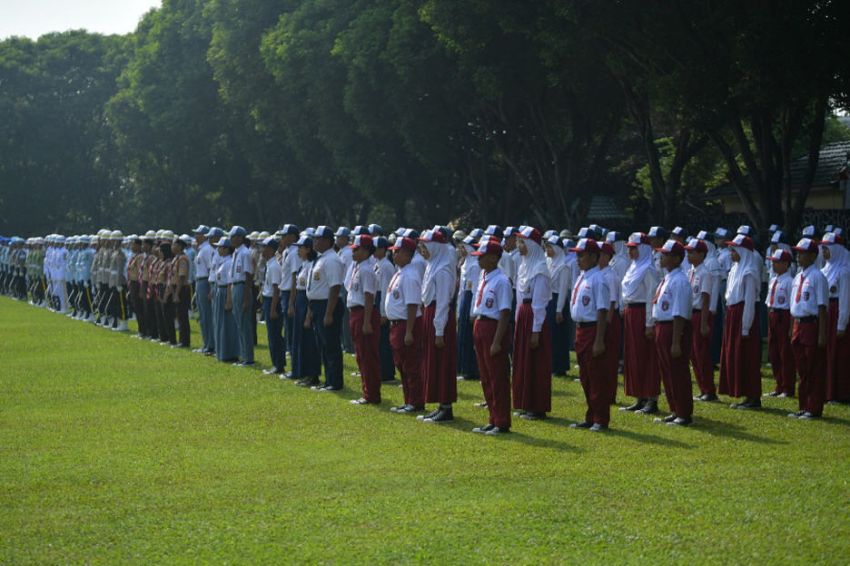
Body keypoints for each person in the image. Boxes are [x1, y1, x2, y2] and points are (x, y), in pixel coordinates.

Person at [568, 238, 612, 432]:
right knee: (585, 375)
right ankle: (591, 415)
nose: (578, 259)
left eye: (582, 255)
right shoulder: (582, 276)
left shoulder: (598, 279)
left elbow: (602, 310)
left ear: (594, 256)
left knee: (596, 376)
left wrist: (599, 340)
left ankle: (601, 418)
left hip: (593, 328)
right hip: (581, 328)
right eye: (577, 255)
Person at [470, 239, 513, 435]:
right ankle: (492, 417)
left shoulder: (502, 281)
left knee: (497, 377)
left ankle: (502, 421)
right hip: (481, 324)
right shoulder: (484, 276)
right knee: (485, 377)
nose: (479, 261)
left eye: (483, 257)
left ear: (494, 258)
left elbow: (504, 313)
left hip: (493, 326)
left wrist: (497, 341)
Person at [651, 240, 694, 426]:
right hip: (662, 326)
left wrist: (676, 341)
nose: (662, 256)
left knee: (677, 371)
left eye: (666, 254)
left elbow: (679, 312)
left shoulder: (680, 281)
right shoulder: (668, 277)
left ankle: (684, 413)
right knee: (666, 371)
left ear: (677, 258)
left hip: (673, 329)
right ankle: (674, 409)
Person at [417, 228, 458, 423]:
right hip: (430, 313)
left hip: (438, 316)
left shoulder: (443, 270)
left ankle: (446, 406)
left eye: (425, 247)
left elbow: (442, 301)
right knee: (432, 361)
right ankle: (439, 404)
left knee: (442, 361)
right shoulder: (432, 265)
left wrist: (439, 329)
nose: (422, 250)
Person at [512, 227, 553, 420]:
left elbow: (539, 303)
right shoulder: (524, 266)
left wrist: (536, 329)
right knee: (523, 359)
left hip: (534, 317)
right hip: (524, 315)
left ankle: (537, 406)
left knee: (535, 361)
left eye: (522, 242)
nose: (519, 246)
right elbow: (520, 297)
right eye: (519, 242)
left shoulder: (540, 269)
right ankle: (524, 401)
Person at [719, 234, 762, 409]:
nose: (731, 253)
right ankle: (743, 392)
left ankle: (753, 396)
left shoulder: (749, 272)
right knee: (735, 354)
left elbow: (750, 301)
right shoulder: (735, 270)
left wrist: (745, 327)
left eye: (734, 250)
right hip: (733, 313)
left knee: (747, 355)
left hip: (744, 315)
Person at [789, 237, 829, 419]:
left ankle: (814, 407)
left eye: (803, 254)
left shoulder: (818, 276)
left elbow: (822, 306)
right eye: (797, 253)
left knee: (813, 367)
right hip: (799, 323)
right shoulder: (798, 276)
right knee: (802, 368)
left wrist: (822, 334)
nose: (799, 257)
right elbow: (793, 305)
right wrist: (792, 328)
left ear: (813, 256)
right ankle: (804, 405)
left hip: (811, 324)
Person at [621, 232, 661, 414]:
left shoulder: (649, 269)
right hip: (631, 312)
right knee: (633, 355)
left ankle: (651, 397)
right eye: (629, 248)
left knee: (646, 356)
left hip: (641, 313)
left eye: (634, 248)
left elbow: (651, 297)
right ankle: (639, 395)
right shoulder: (633, 267)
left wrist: (649, 323)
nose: (630, 251)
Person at [386, 237, 426, 414]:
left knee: (410, 365)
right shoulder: (400, 272)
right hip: (397, 324)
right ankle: (408, 399)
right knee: (401, 365)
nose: (394, 254)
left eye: (398, 251)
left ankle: (416, 401)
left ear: (408, 254)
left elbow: (412, 304)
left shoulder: (410, 275)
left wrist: (409, 331)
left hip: (406, 324)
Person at [307, 226, 345, 391]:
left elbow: (335, 287)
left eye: (318, 239)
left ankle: (335, 381)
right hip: (318, 305)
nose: (315, 241)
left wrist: (329, 313)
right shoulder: (322, 258)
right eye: (314, 238)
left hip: (327, 305)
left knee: (331, 345)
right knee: (323, 344)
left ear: (328, 241)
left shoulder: (332, 260)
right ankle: (328, 380)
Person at [346, 234, 382, 405]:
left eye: (357, 249)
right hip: (356, 312)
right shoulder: (358, 267)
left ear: (366, 251)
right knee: (361, 354)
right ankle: (367, 390)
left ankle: (372, 394)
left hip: (363, 313)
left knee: (367, 355)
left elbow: (369, 296)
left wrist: (367, 321)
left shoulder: (367, 269)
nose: (353, 252)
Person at [686, 238, 719, 401]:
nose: (688, 255)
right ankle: (702, 388)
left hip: (700, 314)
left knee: (702, 353)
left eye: (692, 252)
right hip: (691, 314)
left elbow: (705, 297)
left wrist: (705, 322)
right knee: (693, 353)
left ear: (701, 254)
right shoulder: (691, 271)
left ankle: (709, 389)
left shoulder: (705, 273)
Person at [820, 231, 850, 403]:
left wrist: (842, 323)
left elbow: (845, 298)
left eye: (827, 249)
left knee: (839, 354)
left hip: (837, 313)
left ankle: (840, 392)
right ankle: (826, 389)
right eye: (823, 249)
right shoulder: (824, 269)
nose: (824, 253)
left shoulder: (844, 271)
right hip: (826, 313)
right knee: (826, 353)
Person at [291, 235, 321, 387]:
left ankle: (312, 374)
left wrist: (308, 314)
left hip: (306, 302)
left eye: (301, 247)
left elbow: (310, 290)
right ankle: (304, 372)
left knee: (309, 341)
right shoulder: (304, 264)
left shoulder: (312, 265)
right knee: (301, 339)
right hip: (300, 301)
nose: (298, 250)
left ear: (308, 249)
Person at [765, 248, 796, 398]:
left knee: (785, 353)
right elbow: (768, 303)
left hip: (784, 316)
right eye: (773, 262)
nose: (774, 265)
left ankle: (788, 387)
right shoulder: (773, 280)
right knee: (774, 352)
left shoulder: (790, 282)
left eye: (777, 262)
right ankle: (779, 384)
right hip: (773, 315)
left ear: (786, 264)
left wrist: (791, 327)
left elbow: (791, 306)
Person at [259, 237, 286, 376]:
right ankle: (276, 363)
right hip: (268, 299)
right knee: (272, 335)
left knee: (275, 335)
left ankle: (278, 364)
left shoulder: (274, 266)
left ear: (270, 249)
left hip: (272, 301)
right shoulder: (270, 264)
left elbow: (276, 289)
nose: (261, 250)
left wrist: (273, 309)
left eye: (263, 247)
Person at [228, 226, 255, 366]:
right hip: (236, 285)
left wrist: (246, 298)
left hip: (242, 286)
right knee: (239, 322)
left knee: (244, 324)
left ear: (240, 238)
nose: (231, 240)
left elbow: (248, 275)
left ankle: (248, 357)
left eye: (233, 237)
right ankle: (243, 355)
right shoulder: (236, 253)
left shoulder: (245, 253)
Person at [545, 235, 571, 376]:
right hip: (549, 300)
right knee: (550, 334)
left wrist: (559, 309)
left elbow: (562, 290)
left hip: (558, 301)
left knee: (558, 334)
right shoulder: (548, 263)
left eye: (550, 247)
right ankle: (550, 363)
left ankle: (559, 366)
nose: (547, 250)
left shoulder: (563, 267)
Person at [456, 234, 481, 382]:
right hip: (464, 298)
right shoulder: (464, 263)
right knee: (463, 336)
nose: (461, 249)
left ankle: (473, 369)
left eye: (463, 247)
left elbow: (476, 288)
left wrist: (473, 311)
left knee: (470, 337)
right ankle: (465, 369)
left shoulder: (475, 265)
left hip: (471, 298)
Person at [275, 224, 301, 365]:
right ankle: (290, 349)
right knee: (287, 324)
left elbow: (294, 277)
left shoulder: (294, 252)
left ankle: (292, 352)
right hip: (284, 291)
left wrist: (291, 301)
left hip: (291, 293)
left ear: (292, 237)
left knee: (291, 325)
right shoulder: (287, 251)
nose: (282, 239)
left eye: (284, 236)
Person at [373, 236, 396, 383]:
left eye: (374, 249)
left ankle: (387, 372)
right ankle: (380, 369)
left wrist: (383, 313)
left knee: (384, 342)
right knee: (378, 341)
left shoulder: (386, 266)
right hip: (377, 300)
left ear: (382, 249)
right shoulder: (378, 263)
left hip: (382, 302)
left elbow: (386, 290)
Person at [214, 238, 239, 363]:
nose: (218, 249)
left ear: (226, 249)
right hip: (220, 290)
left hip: (225, 292)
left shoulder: (229, 262)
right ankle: (221, 351)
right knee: (220, 323)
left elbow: (230, 283)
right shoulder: (223, 261)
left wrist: (229, 300)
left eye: (220, 247)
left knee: (227, 324)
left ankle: (229, 352)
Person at [192, 225, 215, 355]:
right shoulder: (201, 249)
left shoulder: (206, 249)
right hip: (199, 281)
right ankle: (206, 343)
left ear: (204, 235)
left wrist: (210, 288)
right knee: (202, 315)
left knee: (207, 315)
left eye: (198, 234)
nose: (196, 236)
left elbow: (209, 269)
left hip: (205, 281)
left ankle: (210, 344)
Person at [170, 237, 191, 348]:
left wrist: (177, 293)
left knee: (182, 316)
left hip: (182, 289)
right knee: (179, 315)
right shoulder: (176, 258)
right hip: (176, 288)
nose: (172, 247)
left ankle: (184, 341)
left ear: (180, 246)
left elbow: (182, 277)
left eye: (174, 245)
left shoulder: (182, 259)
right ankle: (181, 340)